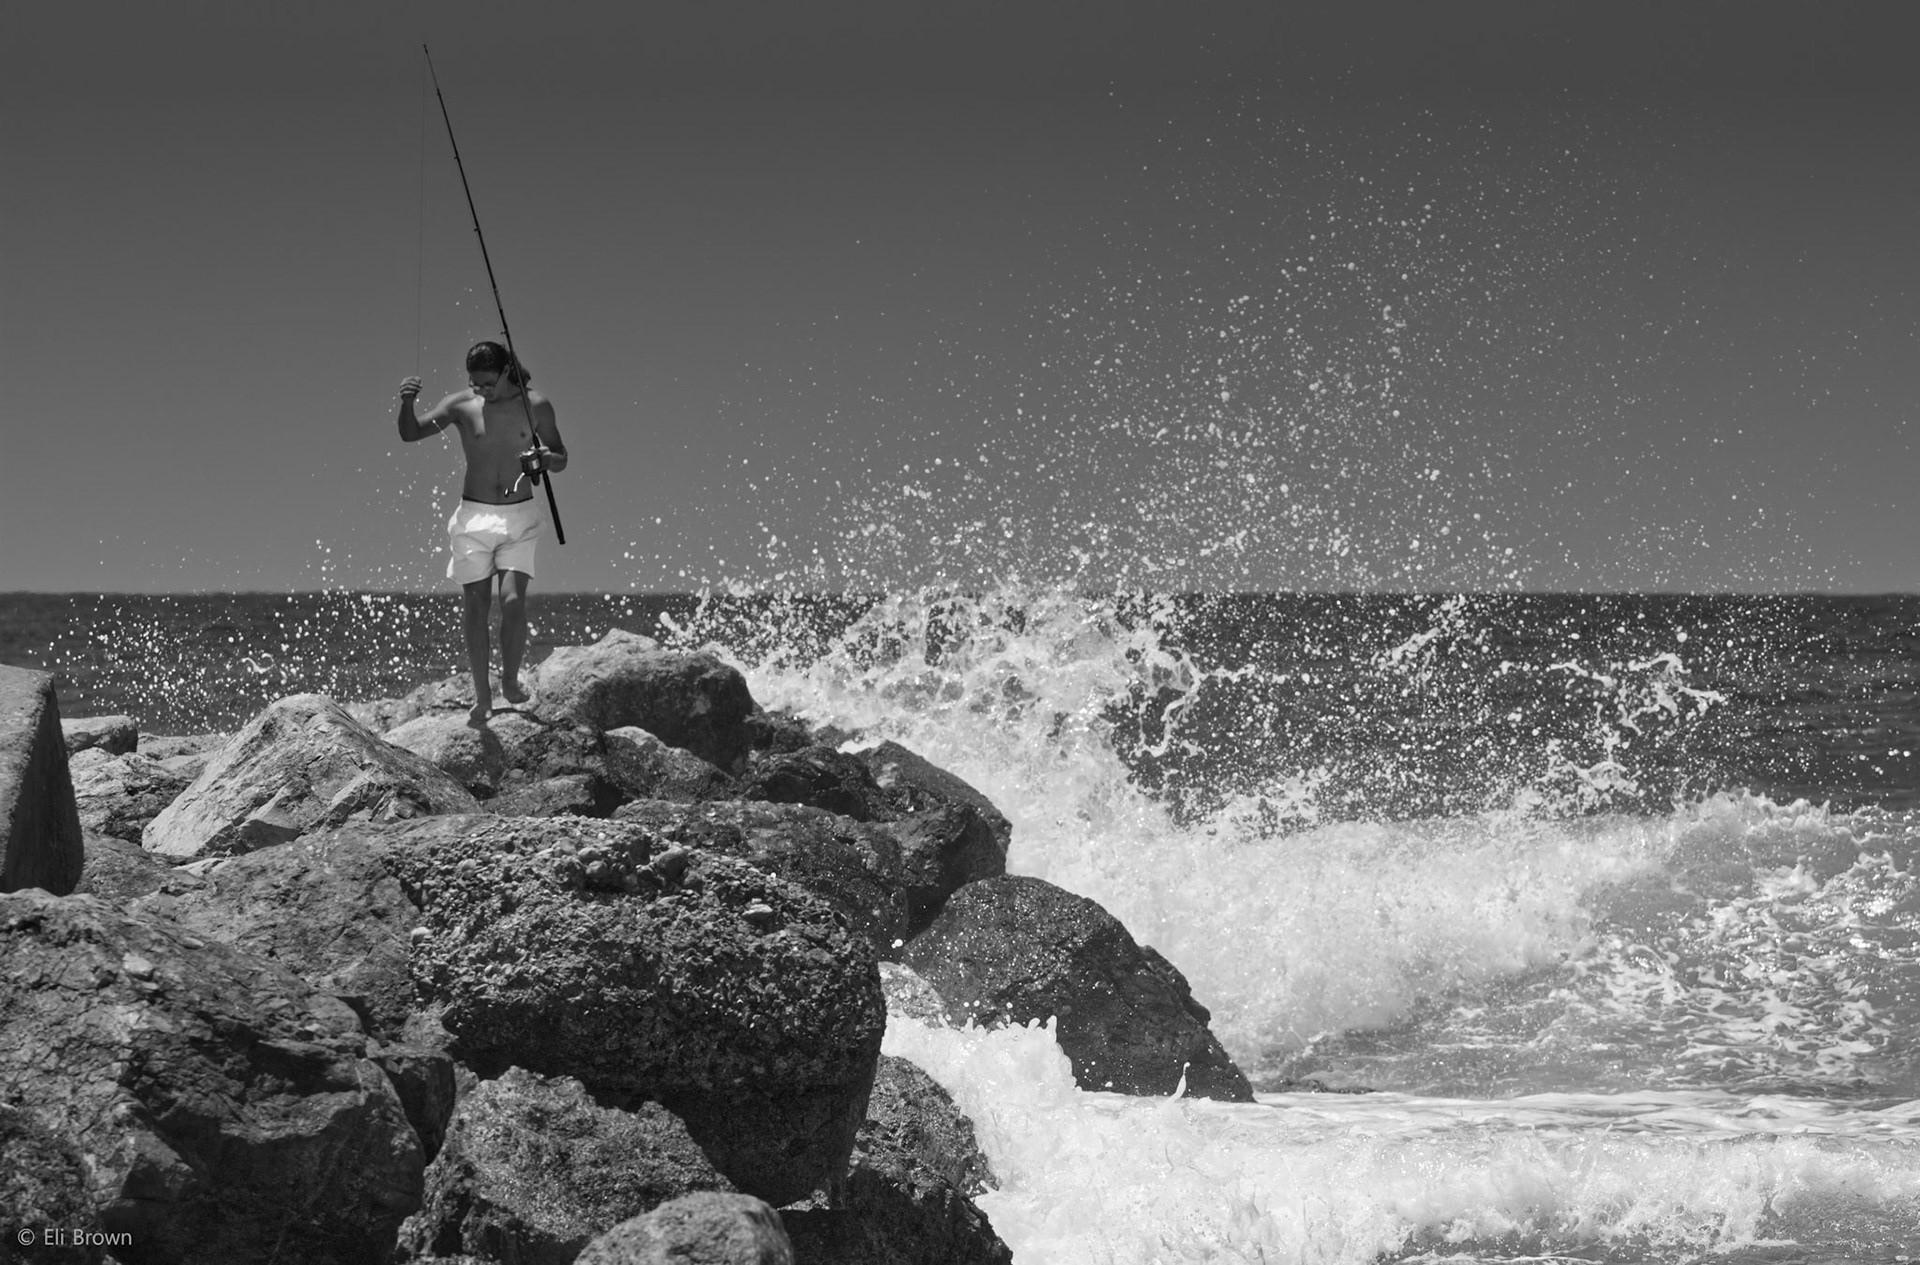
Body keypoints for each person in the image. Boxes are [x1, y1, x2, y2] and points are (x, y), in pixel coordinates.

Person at [398, 340, 568, 724]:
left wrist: (546, 459)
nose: (481, 391)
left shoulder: (535, 406)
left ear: (507, 372)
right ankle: (483, 696)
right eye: (475, 384)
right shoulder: (461, 406)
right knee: (475, 606)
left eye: (488, 383)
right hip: (473, 518)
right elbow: (411, 434)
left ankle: (509, 681)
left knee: (511, 602)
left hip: (518, 518)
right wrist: (407, 403)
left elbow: (560, 456)